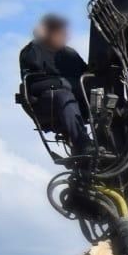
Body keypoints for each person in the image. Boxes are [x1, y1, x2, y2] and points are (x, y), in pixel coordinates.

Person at [19, 13, 92, 153]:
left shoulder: (70, 54)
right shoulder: (33, 51)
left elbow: (87, 73)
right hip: (47, 101)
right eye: (60, 33)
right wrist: (63, 83)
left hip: (76, 97)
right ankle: (82, 143)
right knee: (64, 95)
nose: (64, 36)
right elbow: (32, 81)